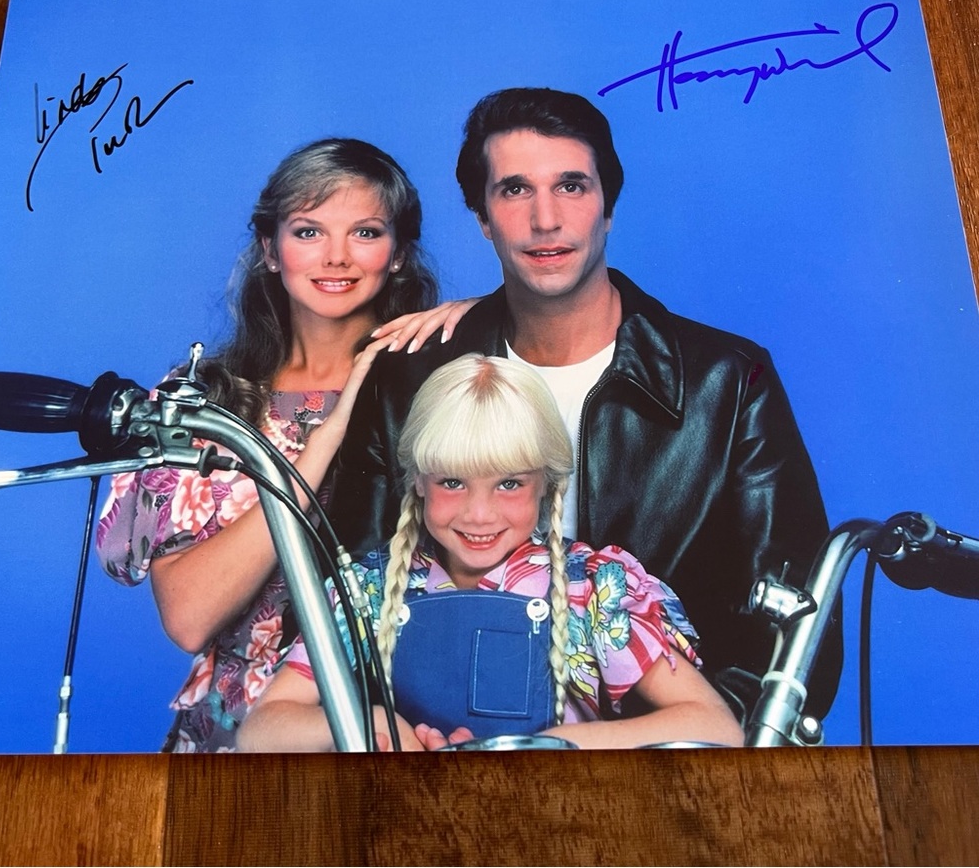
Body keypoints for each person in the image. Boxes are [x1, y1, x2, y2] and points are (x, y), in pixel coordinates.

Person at [328, 89, 841, 720]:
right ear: (483, 217)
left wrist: (675, 746)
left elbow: (796, 634)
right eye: (515, 190)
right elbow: (356, 597)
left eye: (571, 186)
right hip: (443, 749)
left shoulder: (728, 382)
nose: (546, 219)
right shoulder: (412, 377)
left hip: (660, 763)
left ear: (608, 208)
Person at [95, 137, 469, 752]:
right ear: (271, 249)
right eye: (309, 232)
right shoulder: (205, 401)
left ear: (399, 253)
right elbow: (189, 617)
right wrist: (313, 454)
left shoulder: (438, 387)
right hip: (240, 734)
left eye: (367, 233)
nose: (337, 258)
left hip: (405, 725)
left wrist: (488, 311)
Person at [238, 355, 744, 751]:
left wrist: (546, 747)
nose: (479, 516)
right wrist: (369, 722)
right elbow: (260, 730)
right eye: (453, 482)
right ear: (417, 478)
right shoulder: (366, 589)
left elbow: (715, 726)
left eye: (508, 484)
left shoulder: (595, 587)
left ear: (546, 482)